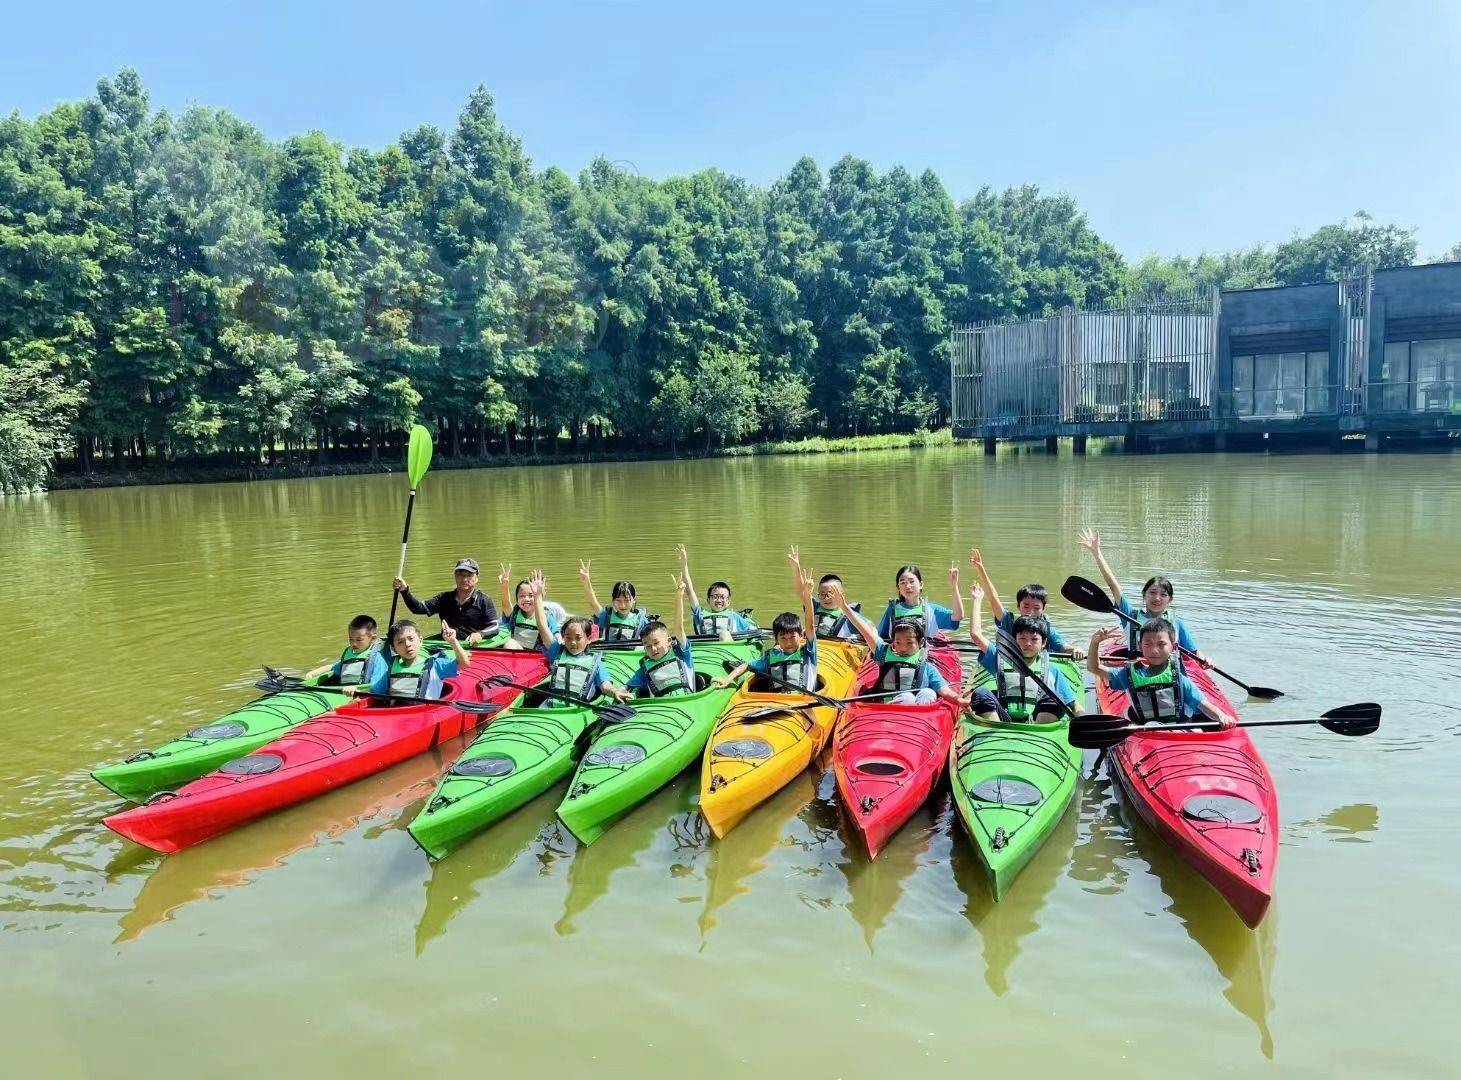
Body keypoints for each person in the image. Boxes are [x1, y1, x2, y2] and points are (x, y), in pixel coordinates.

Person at [831, 581, 967, 710]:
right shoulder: (884, 653)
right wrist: (844, 608)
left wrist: (958, 700)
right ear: (893, 641)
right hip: (886, 707)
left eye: (909, 643)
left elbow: (943, 690)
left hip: (916, 717)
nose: (903, 647)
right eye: (898, 642)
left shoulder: (927, 667)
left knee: (928, 692)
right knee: (907, 697)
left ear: (920, 643)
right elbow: (865, 631)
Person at [1077, 530, 1207, 660]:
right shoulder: (1129, 615)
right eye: (1152, 592)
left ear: (1170, 600)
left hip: (1167, 673)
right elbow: (1113, 586)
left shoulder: (1176, 623)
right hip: (1135, 672)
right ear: (1144, 595)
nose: (1157, 598)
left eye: (1163, 594)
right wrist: (1097, 553)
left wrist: (1206, 660)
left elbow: (1194, 653)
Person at [965, 585, 1081, 723]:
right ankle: (995, 728)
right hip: (1004, 719)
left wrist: (1082, 718)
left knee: (1055, 699)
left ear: (1043, 643)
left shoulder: (1052, 669)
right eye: (1023, 639)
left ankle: (1038, 733)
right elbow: (976, 635)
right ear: (1014, 640)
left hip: (1036, 721)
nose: (1028, 644)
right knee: (981, 693)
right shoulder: (1000, 658)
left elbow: (1073, 703)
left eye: (1034, 640)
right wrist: (977, 600)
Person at [1087, 622, 1235, 729]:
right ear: (1140, 647)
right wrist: (1095, 643)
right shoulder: (1127, 675)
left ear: (1173, 647)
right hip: (1145, 730)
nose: (1154, 650)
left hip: (1177, 730)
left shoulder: (1180, 679)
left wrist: (1221, 716)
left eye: (1161, 644)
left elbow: (1204, 705)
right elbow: (1094, 668)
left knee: (1197, 730)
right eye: (1148, 644)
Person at [715, 553, 819, 691]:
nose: (788, 642)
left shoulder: (808, 652)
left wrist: (807, 596)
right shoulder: (771, 656)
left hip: (801, 702)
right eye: (783, 638)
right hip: (773, 701)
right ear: (776, 639)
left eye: (792, 637)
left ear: (801, 636)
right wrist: (727, 679)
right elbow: (746, 665)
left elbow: (810, 624)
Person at [967, 548, 1086, 660]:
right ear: (1018, 606)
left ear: (1044, 609)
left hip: (1040, 669)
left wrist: (1075, 649)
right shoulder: (1009, 621)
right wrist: (980, 569)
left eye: (1036, 608)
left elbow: (1062, 646)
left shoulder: (1046, 627)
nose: (1030, 612)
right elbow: (993, 598)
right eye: (1026, 606)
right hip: (1010, 664)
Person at [526, 571, 611, 705]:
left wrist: (615, 691)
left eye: (578, 638)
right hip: (551, 706)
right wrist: (537, 596)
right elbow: (542, 626)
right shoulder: (557, 651)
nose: (572, 642)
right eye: (568, 637)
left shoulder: (595, 662)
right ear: (563, 638)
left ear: (589, 639)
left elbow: (605, 686)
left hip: (576, 711)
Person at [606, 575, 695, 700]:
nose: (653, 649)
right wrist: (617, 692)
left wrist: (679, 597)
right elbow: (626, 687)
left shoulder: (682, 654)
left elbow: (679, 628)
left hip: (687, 703)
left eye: (656, 643)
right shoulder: (644, 669)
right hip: (660, 709)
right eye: (647, 646)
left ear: (669, 641)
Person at [350, 619, 469, 701]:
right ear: (394, 649)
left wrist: (453, 641)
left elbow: (463, 664)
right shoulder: (392, 669)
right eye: (400, 642)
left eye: (411, 639)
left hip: (425, 716)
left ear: (420, 640)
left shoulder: (435, 665)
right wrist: (356, 690)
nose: (407, 645)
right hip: (396, 716)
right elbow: (375, 691)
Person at [393, 558, 500, 644]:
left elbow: (495, 626)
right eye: (460, 574)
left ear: (477, 578)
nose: (464, 579)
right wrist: (404, 590)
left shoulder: (484, 600)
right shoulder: (444, 598)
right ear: (455, 576)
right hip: (447, 646)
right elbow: (418, 608)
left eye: (469, 575)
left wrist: (480, 634)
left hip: (472, 646)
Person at [677, 544, 755, 639]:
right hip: (706, 649)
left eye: (722, 597)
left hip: (730, 649)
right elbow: (689, 590)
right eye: (715, 596)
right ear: (708, 600)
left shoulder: (735, 617)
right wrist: (684, 564)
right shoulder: (699, 614)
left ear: (728, 601)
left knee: (725, 635)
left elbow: (753, 632)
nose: (718, 600)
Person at [874, 563, 965, 643]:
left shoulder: (931, 610)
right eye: (903, 583)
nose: (908, 586)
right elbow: (880, 637)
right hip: (896, 656)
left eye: (911, 581)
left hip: (924, 657)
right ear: (898, 587)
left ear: (921, 585)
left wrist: (954, 586)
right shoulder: (892, 609)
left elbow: (958, 616)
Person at [786, 547, 860, 640]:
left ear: (842, 595)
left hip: (834, 651)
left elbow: (869, 628)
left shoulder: (850, 615)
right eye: (822, 594)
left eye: (830, 593)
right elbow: (801, 592)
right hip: (813, 647)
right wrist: (796, 569)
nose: (826, 598)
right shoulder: (815, 607)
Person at [579, 559, 650, 643]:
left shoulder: (641, 620)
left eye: (627, 600)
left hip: (632, 654)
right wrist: (586, 581)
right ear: (613, 601)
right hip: (607, 653)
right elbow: (592, 601)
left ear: (634, 600)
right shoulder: (605, 616)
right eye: (618, 600)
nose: (622, 605)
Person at [497, 563, 561, 650]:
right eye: (522, 596)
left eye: (531, 595)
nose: (526, 599)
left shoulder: (547, 616)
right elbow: (506, 605)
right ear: (517, 599)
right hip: (516, 651)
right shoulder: (515, 613)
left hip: (535, 656)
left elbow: (556, 636)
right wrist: (505, 585)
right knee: (509, 643)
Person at [315, 614, 388, 686]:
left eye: (359, 640)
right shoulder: (349, 655)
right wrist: (313, 673)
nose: (354, 644)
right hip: (343, 693)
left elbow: (378, 687)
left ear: (372, 638)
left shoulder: (378, 660)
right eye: (351, 639)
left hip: (361, 694)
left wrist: (356, 689)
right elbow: (332, 668)